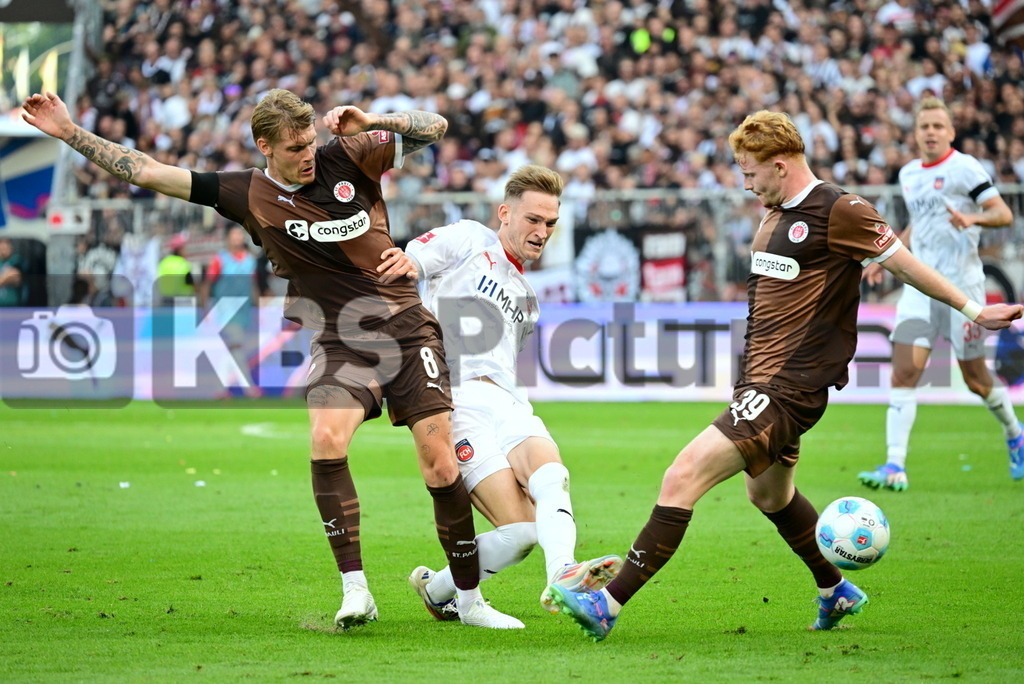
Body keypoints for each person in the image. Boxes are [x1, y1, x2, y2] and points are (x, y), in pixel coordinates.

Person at [22, 88, 522, 630]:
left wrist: (375, 120)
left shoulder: (348, 153)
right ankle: (356, 591)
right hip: (339, 336)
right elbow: (145, 170)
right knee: (327, 440)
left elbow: (436, 126)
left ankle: (469, 601)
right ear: (265, 146)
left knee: (441, 462)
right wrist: (69, 132)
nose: (308, 154)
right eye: (294, 148)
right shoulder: (244, 192)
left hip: (405, 326)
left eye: (310, 142)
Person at [545, 111, 1023, 641]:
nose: (745, 183)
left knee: (681, 477)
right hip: (760, 380)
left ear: (780, 163)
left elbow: (906, 264)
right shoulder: (773, 214)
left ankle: (607, 604)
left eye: (750, 172)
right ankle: (835, 589)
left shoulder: (841, 209)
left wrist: (975, 310)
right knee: (769, 497)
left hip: (789, 387)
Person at [402, 165, 622, 620]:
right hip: (455, 402)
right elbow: (409, 263)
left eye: (550, 223)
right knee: (520, 532)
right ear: (504, 213)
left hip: (509, 400)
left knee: (552, 477)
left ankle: (562, 572)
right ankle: (439, 589)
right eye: (533, 219)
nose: (542, 232)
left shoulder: (527, 298)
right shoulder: (468, 239)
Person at [858, 97, 1023, 490]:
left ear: (950, 132)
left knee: (976, 379)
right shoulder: (910, 174)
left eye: (937, 126)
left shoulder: (964, 167)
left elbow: (1003, 213)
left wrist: (973, 217)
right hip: (920, 288)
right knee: (904, 372)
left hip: (964, 288)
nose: (930, 132)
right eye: (924, 126)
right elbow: (919, 223)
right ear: (915, 134)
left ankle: (1015, 435)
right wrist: (886, 256)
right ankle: (894, 464)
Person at [156, 232, 196, 306]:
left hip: (165, 301)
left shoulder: (164, 262)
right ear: (179, 249)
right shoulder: (183, 263)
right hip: (181, 301)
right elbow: (189, 282)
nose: (186, 250)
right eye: (184, 248)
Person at [0, 237, 25, 307]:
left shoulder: (16, 260)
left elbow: (15, 277)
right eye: (1, 243)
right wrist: (5, 278)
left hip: (13, 308)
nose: (4, 246)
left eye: (7, 243)